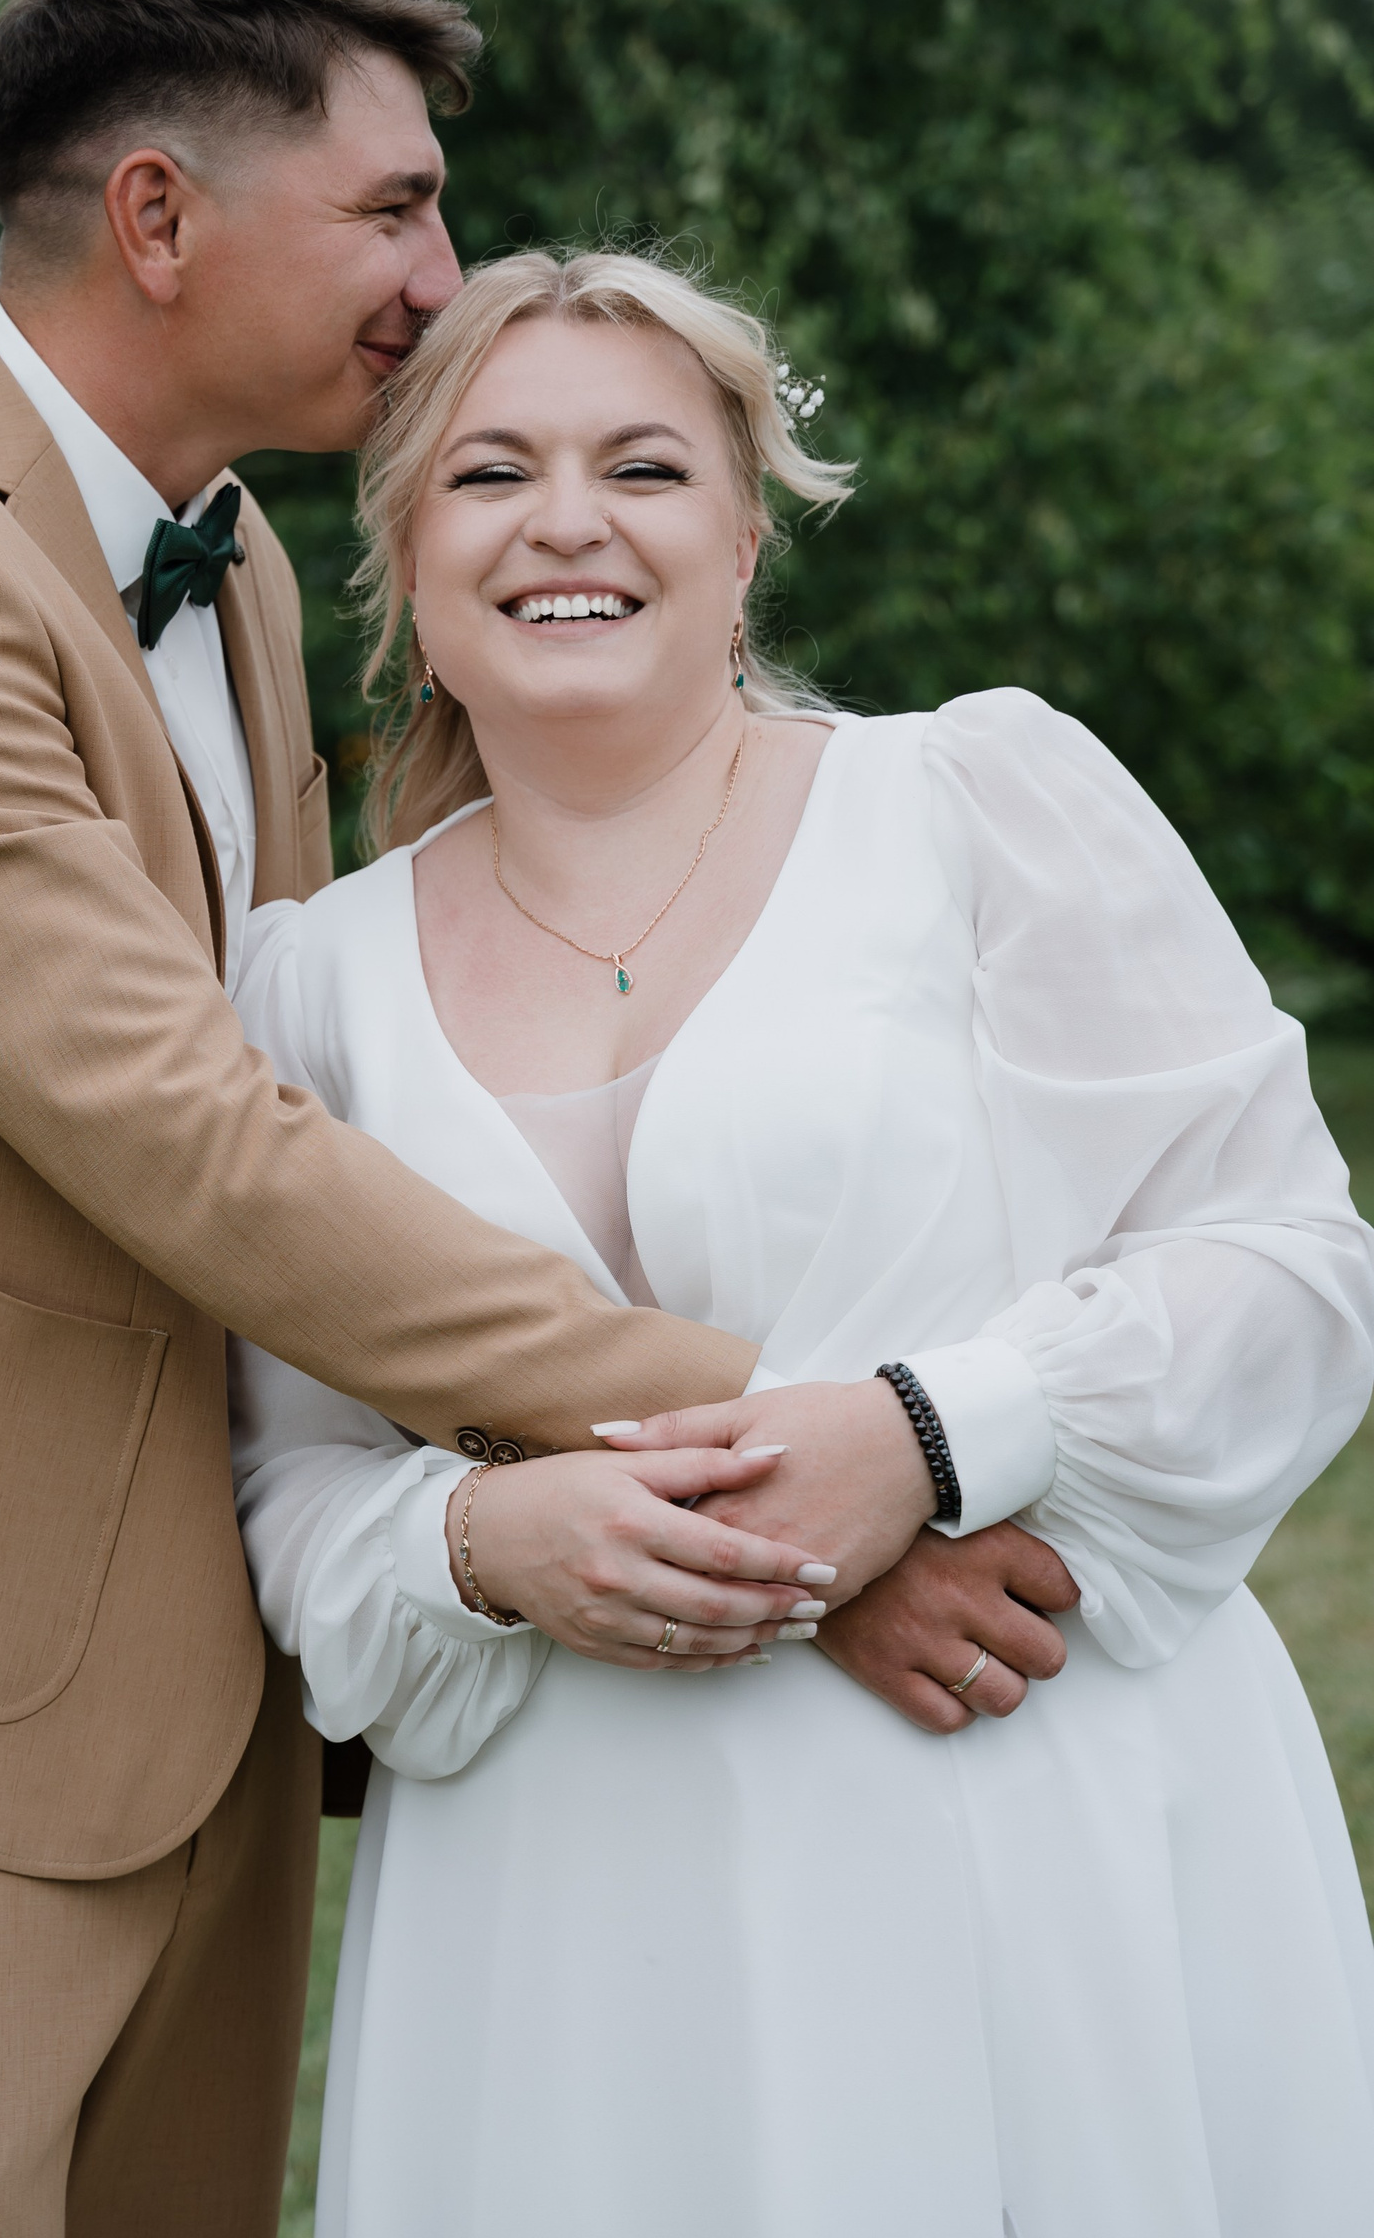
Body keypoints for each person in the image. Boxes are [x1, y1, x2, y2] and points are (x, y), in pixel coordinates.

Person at [0, 0, 863, 2238]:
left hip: (216, 1672)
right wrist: (784, 1437)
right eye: (394, 209)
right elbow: (194, 1136)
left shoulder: (237, 558)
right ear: (158, 217)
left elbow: (325, 1053)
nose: (441, 280)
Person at [229, 247, 1374, 2236]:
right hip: (570, 1921)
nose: (567, 521)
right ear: (405, 556)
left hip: (1022, 1824)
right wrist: (480, 1540)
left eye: (644, 468)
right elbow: (284, 1483)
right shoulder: (306, 983)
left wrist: (932, 1432)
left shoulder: (974, 803)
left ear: (747, 536)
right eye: (492, 473)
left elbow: (1288, 1262)